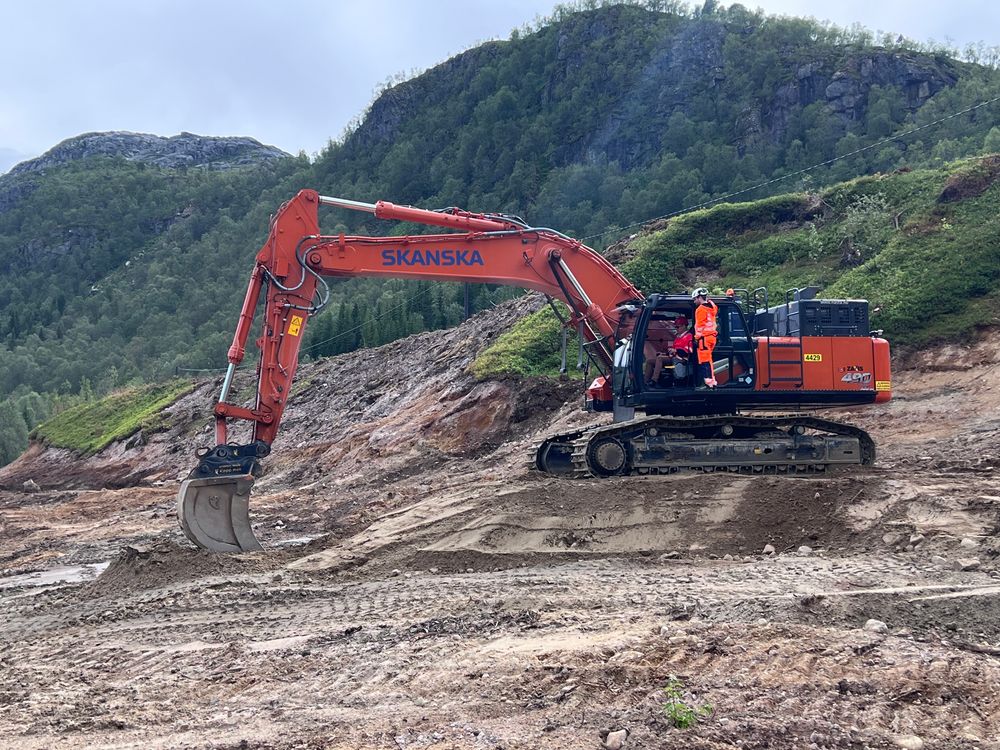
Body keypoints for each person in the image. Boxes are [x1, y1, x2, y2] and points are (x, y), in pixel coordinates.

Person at [693, 288, 718, 388]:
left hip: (704, 339)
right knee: (709, 360)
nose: (694, 301)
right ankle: (712, 380)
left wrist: (696, 338)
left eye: (695, 299)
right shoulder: (713, 307)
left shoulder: (700, 310)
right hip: (712, 337)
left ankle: (709, 382)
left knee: (704, 361)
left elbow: (700, 326)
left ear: (699, 297)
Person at [671, 315, 693, 381]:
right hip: (674, 356)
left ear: (683, 326)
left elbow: (689, 350)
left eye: (677, 327)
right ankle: (647, 380)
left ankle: (654, 381)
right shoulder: (678, 337)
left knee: (659, 360)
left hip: (681, 358)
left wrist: (676, 350)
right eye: (675, 327)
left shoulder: (689, 336)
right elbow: (673, 347)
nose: (676, 329)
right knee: (650, 361)